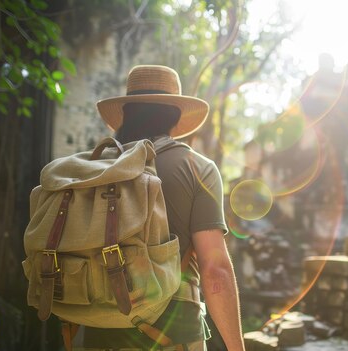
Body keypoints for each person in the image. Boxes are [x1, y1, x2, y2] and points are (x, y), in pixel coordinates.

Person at [82, 65, 245, 351]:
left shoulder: (96, 168)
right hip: (172, 332)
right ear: (175, 114)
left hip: (99, 330)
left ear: (127, 113)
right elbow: (215, 268)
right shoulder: (196, 168)